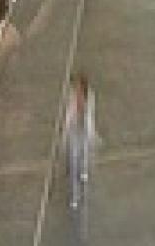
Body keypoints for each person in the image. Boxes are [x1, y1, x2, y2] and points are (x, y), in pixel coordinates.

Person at [62, 73, 97, 210]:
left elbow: (90, 116)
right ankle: (74, 195)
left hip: (84, 131)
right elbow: (68, 116)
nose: (76, 90)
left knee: (83, 154)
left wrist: (91, 133)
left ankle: (83, 170)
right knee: (73, 163)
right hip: (74, 132)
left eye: (78, 87)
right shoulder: (71, 99)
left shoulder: (91, 98)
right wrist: (65, 134)